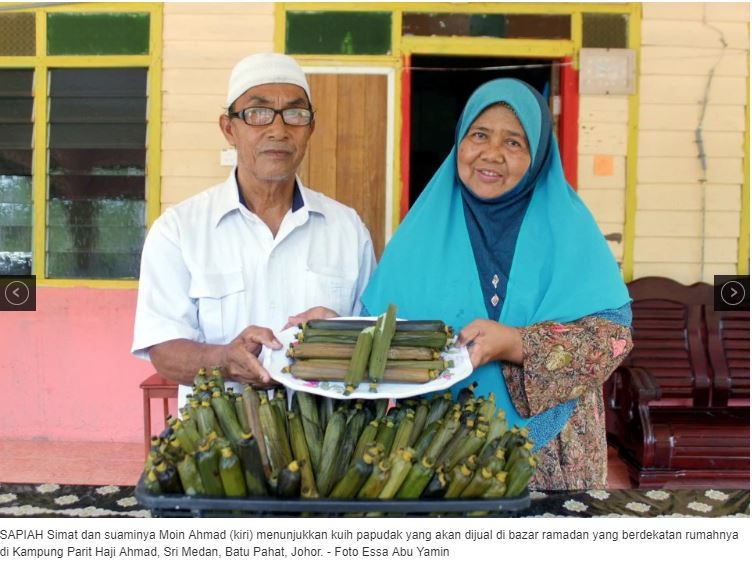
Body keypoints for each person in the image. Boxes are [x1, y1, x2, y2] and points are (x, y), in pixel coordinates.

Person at [360, 78, 633, 490]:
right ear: (460, 143)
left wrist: (516, 343)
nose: (491, 155)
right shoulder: (421, 231)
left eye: (514, 143)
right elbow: (379, 339)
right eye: (480, 136)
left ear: (538, 155)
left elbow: (611, 340)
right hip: (434, 453)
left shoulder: (570, 228)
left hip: (551, 458)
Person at [132, 53, 376, 403]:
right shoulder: (179, 230)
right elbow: (164, 351)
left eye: (294, 114)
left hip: (323, 448)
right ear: (229, 129)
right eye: (258, 114)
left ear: (310, 129)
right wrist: (224, 361)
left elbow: (373, 341)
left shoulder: (347, 229)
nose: (278, 130)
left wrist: (339, 335)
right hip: (219, 448)